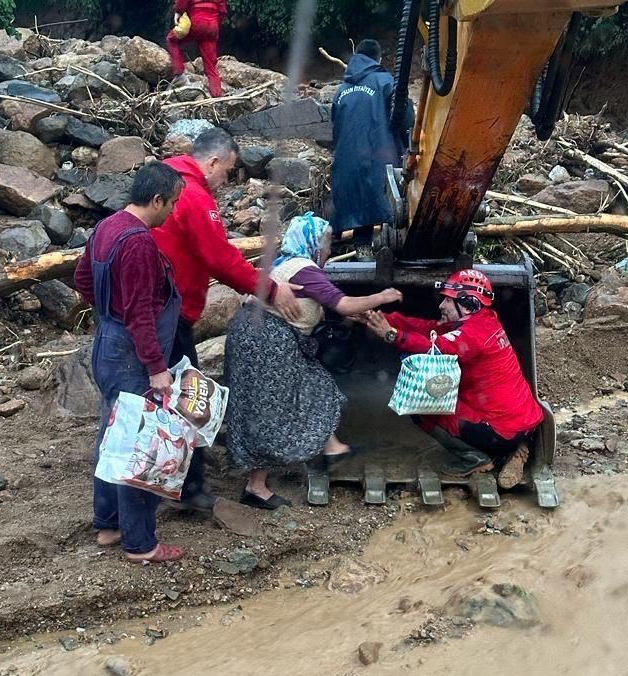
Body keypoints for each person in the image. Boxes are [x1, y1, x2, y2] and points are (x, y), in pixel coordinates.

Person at [153, 127, 303, 509]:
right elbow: (220, 257)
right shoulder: (193, 196)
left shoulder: (164, 181)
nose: (226, 182)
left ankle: (155, 479)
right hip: (169, 313)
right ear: (213, 161)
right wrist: (271, 289)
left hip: (149, 307)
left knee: (157, 393)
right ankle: (188, 487)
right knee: (189, 396)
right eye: (228, 172)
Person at [225, 213, 403, 508]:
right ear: (311, 242)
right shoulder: (304, 270)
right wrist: (382, 296)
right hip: (266, 345)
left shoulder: (284, 265)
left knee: (312, 385)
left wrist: (353, 318)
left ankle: (332, 448)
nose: (328, 250)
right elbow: (343, 303)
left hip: (255, 340)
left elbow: (324, 307)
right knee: (271, 412)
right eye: (326, 242)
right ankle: (255, 487)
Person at [74, 162, 186, 565]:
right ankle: (141, 544)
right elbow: (140, 314)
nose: (173, 211)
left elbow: (83, 279)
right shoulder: (138, 242)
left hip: (106, 343)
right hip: (132, 355)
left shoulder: (107, 226)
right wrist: (156, 367)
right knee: (139, 445)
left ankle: (108, 524)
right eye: (172, 203)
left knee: (111, 435)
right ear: (155, 200)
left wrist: (108, 314)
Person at [365, 268, 544, 486]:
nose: (441, 306)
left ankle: (476, 458)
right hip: (522, 422)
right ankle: (515, 448)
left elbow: (434, 346)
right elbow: (429, 329)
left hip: (501, 429)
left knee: (421, 407)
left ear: (468, 303)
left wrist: (391, 335)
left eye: (448, 301)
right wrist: (383, 319)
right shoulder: (484, 321)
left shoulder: (473, 333)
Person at [330, 39, 413, 240]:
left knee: (359, 218)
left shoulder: (340, 91)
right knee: (389, 214)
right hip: (380, 162)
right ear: (378, 59)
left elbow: (336, 130)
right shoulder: (387, 82)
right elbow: (407, 121)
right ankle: (383, 250)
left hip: (345, 167)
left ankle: (363, 248)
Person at [167, 0, 227, 98]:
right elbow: (222, 12)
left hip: (196, 22)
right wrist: (215, 23)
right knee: (211, 67)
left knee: (171, 39)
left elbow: (182, 2)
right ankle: (217, 96)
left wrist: (178, 12)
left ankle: (179, 74)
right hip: (212, 27)